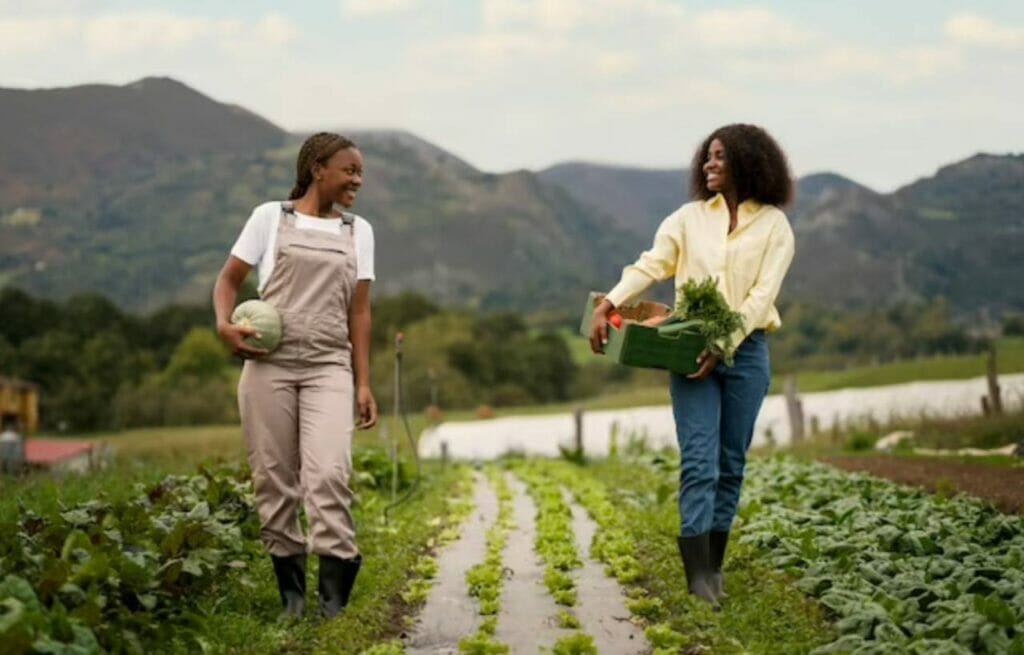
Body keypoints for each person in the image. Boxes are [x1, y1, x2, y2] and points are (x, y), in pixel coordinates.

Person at [589, 124, 795, 608]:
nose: (708, 164)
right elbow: (651, 265)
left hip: (747, 353)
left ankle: (715, 567)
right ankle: (697, 576)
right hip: (687, 349)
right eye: (707, 156)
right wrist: (609, 302)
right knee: (699, 461)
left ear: (748, 161)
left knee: (730, 464)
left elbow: (763, 294)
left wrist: (723, 344)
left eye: (719, 156)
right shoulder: (686, 219)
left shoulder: (774, 226)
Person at [213, 132, 379, 619]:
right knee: (273, 477)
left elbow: (361, 312)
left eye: (360, 172)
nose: (357, 180)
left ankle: (333, 593)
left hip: (330, 363)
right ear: (317, 169)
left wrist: (363, 382)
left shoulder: (358, 231)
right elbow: (228, 279)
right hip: (270, 365)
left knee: (329, 472)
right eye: (349, 170)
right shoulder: (270, 218)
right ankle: (291, 597)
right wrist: (224, 326)